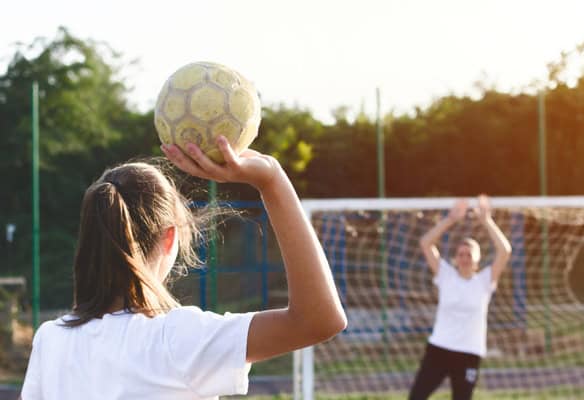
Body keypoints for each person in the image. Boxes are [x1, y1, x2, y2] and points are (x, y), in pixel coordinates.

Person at [20, 136, 347, 399]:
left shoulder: (51, 340)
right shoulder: (178, 340)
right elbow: (319, 320)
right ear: (169, 238)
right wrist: (272, 180)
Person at [408, 195, 512, 400]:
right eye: (461, 254)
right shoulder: (445, 275)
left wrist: (486, 220)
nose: (464, 258)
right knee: (416, 397)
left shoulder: (484, 281)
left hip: (469, 352)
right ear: (456, 258)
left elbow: (505, 251)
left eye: (469, 254)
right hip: (439, 349)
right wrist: (451, 219)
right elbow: (426, 243)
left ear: (477, 260)